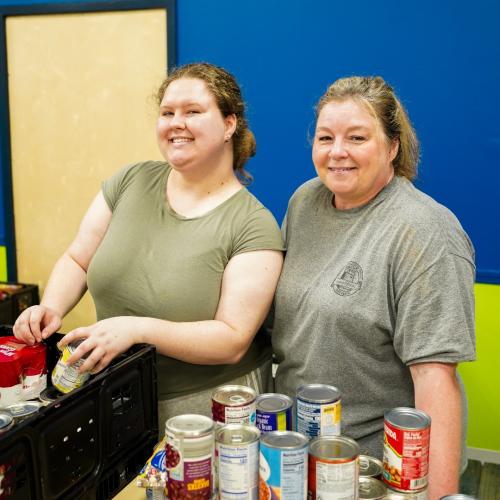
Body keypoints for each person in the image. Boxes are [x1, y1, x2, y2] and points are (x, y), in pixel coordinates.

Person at [13, 62, 284, 430]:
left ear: (229, 124)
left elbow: (232, 339)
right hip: (117, 392)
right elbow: (78, 259)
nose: (177, 122)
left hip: (209, 408)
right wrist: (50, 307)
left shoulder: (253, 224)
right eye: (167, 112)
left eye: (193, 112)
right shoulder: (130, 181)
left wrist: (137, 329)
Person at [272, 76, 475, 498]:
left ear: (393, 147)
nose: (338, 151)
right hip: (294, 456)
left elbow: (435, 378)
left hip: (372, 471)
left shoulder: (425, 231)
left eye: (357, 137)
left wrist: (435, 494)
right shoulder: (304, 202)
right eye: (326, 137)